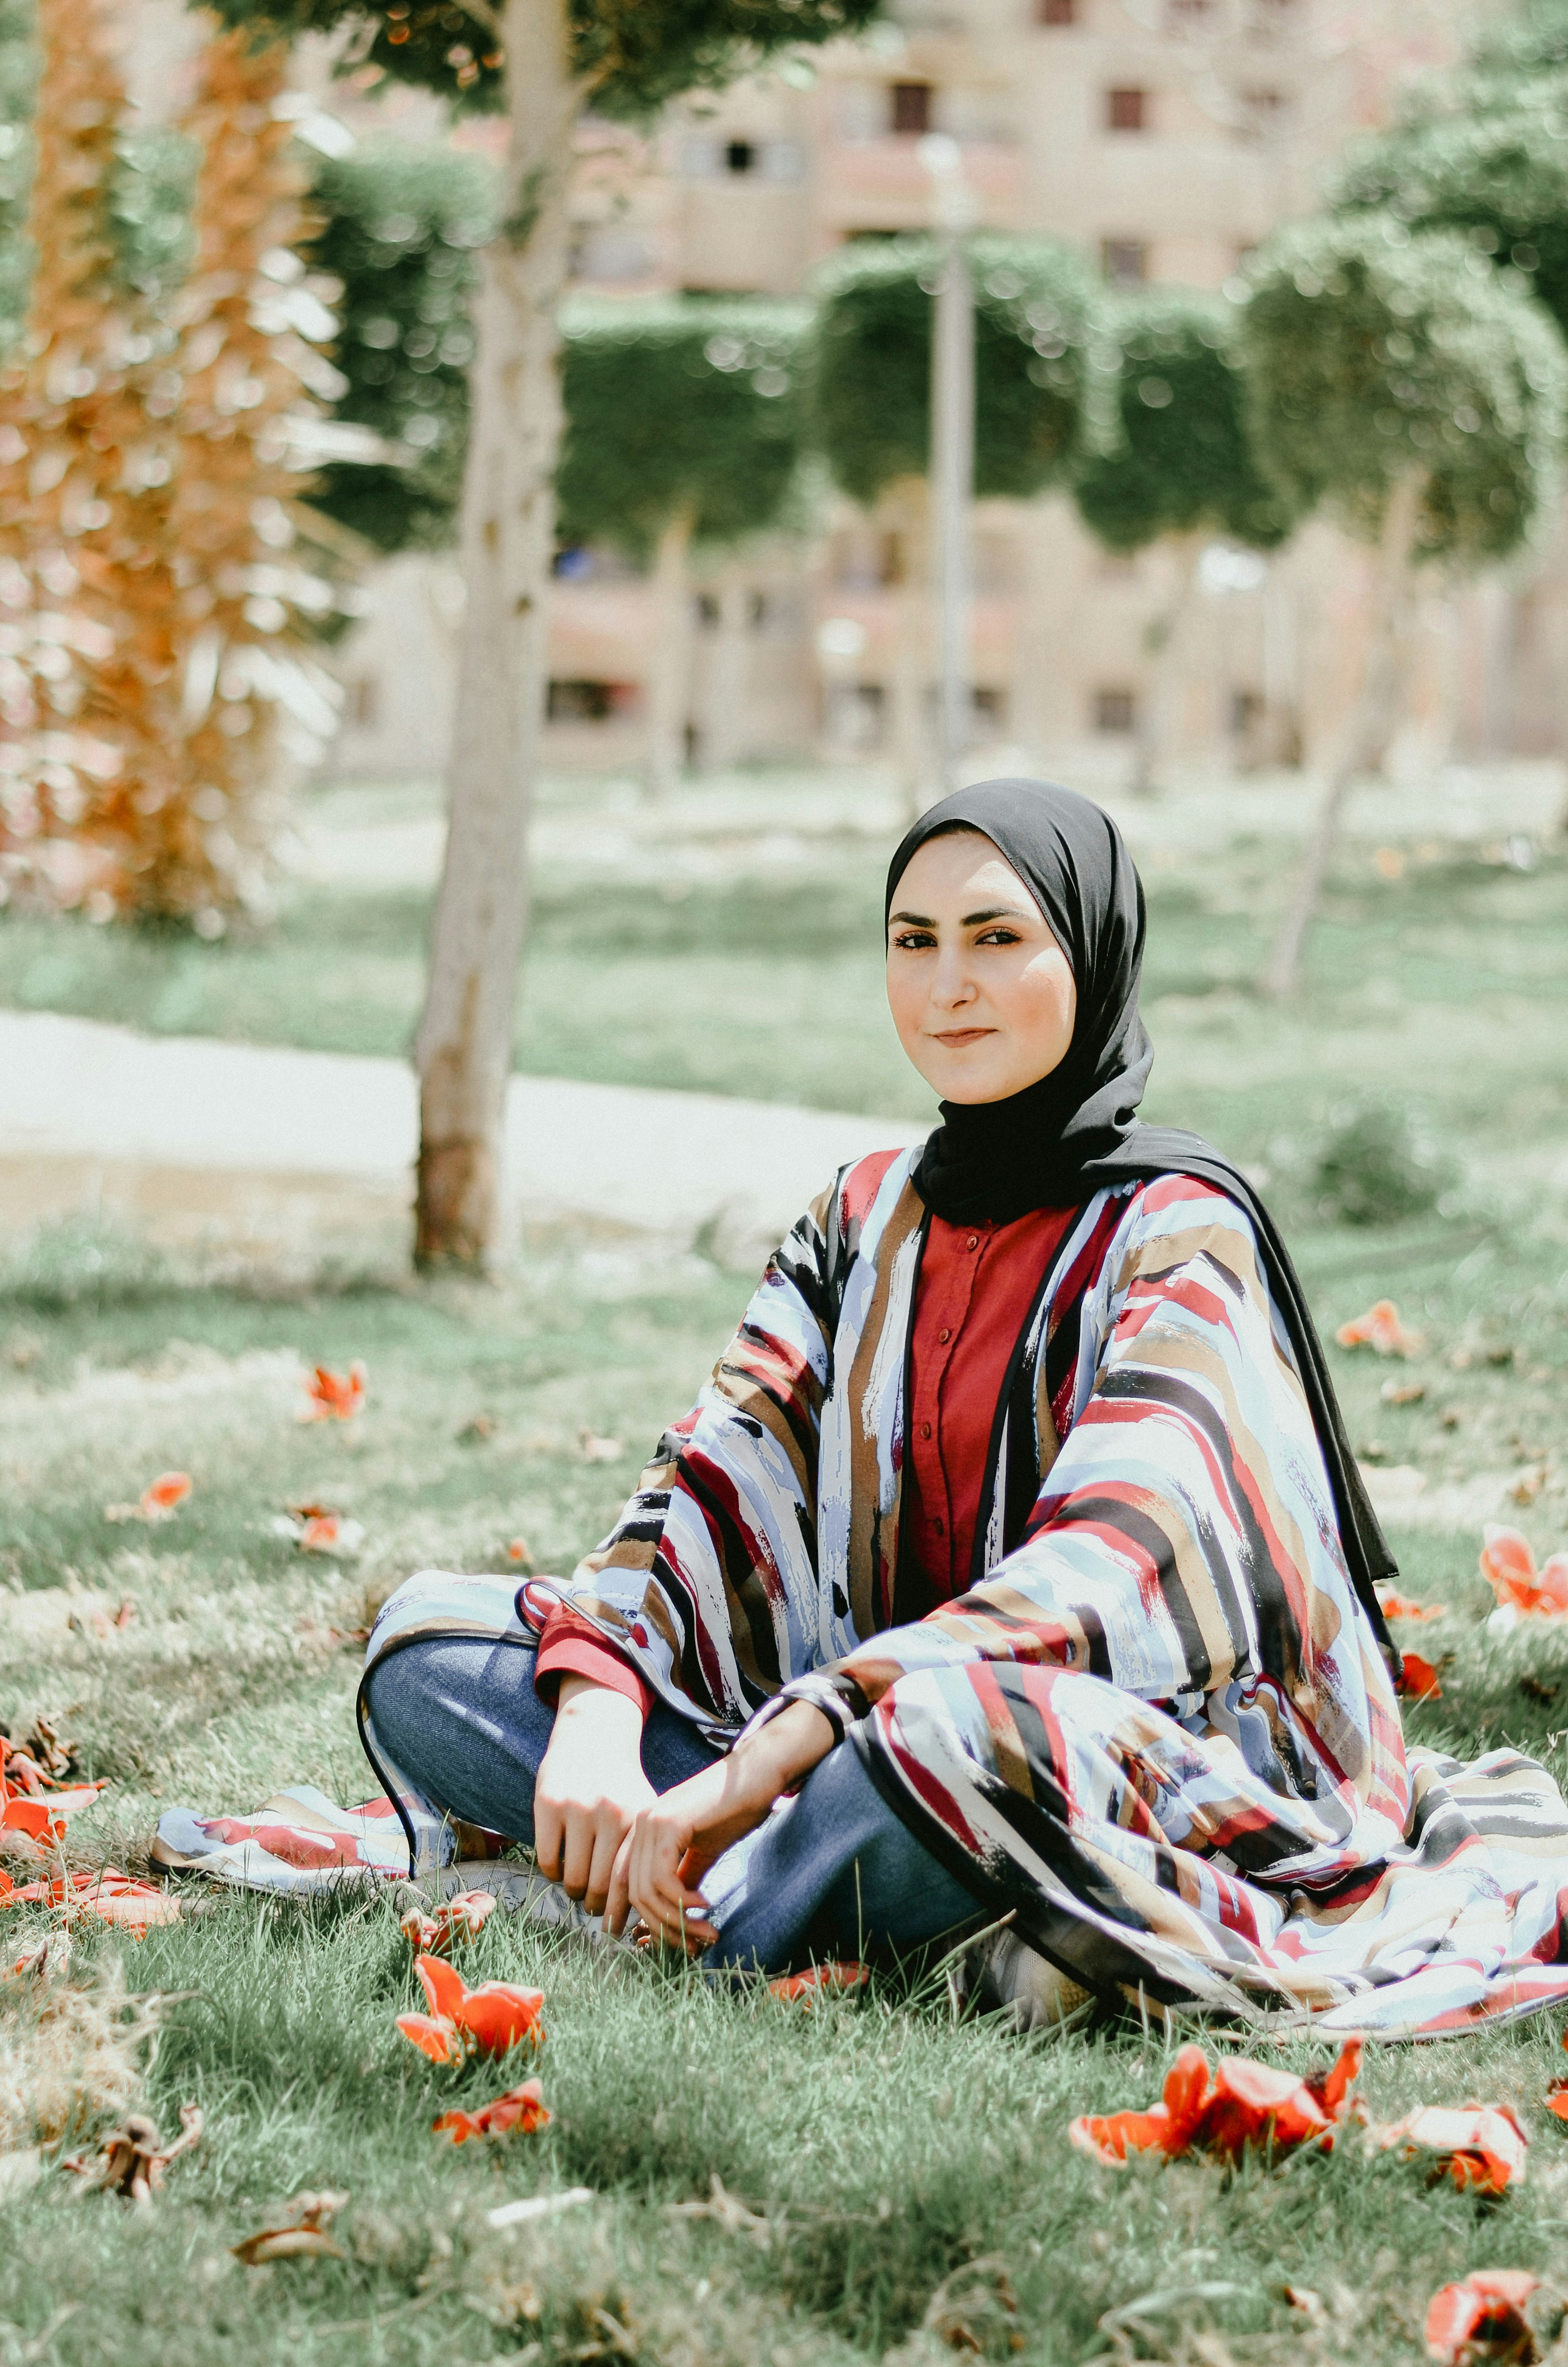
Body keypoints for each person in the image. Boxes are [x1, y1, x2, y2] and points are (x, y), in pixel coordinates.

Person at [360, 780, 1568, 2035]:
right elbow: (709, 1480)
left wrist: (777, 1751)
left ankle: (706, 1907)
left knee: (952, 1732)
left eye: (997, 938)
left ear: (1089, 955)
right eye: (912, 940)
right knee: (430, 1644)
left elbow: (1105, 1570)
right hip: (846, 1748)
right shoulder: (860, 1212)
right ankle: (895, 1914)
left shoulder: (1177, 1227)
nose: (947, 987)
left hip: (1104, 1745)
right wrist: (599, 1727)